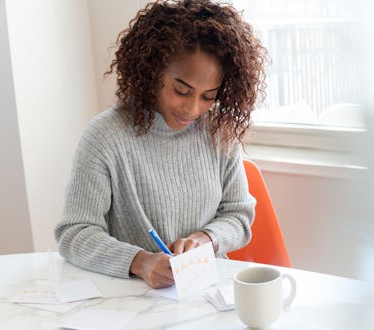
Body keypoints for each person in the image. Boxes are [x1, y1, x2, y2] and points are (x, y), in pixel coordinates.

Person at [54, 0, 267, 289]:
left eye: (208, 97)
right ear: (153, 70)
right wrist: (139, 262)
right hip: (133, 300)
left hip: (208, 293)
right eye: (181, 90)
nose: (192, 109)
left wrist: (205, 239)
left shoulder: (219, 132)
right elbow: (74, 233)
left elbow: (238, 216)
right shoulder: (106, 137)